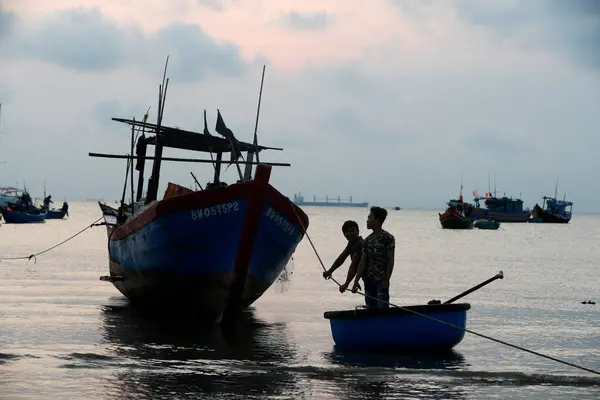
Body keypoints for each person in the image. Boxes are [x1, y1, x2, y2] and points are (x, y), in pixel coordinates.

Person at [352, 206, 395, 309]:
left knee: (382, 310)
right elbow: (363, 261)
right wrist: (356, 280)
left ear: (377, 220)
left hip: (381, 281)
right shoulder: (367, 241)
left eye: (370, 218)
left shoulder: (388, 238)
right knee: (370, 310)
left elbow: (391, 260)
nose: (367, 221)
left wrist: (387, 279)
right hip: (369, 281)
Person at [322, 220, 364, 293]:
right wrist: (330, 271)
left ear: (358, 231)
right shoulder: (351, 244)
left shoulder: (360, 244)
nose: (350, 233)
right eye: (347, 231)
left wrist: (346, 284)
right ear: (344, 234)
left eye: (352, 230)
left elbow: (354, 266)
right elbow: (341, 258)